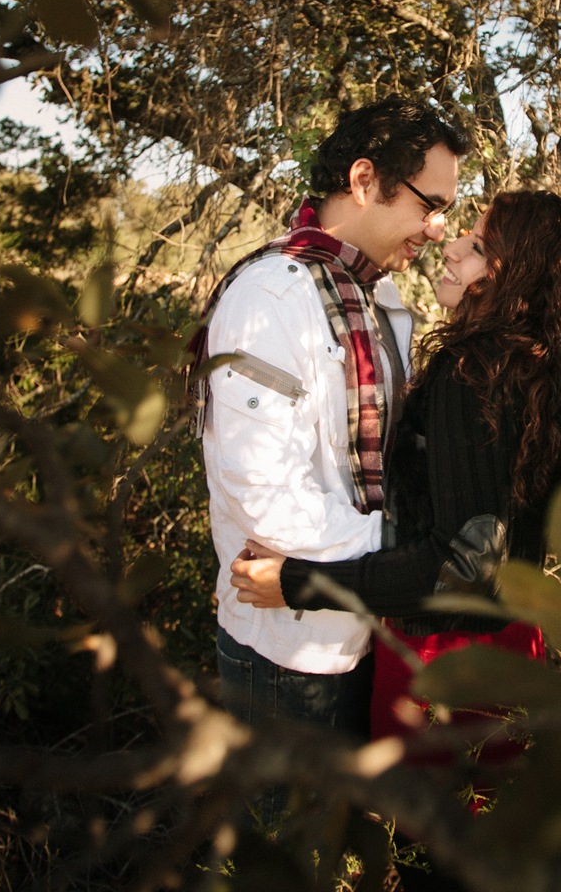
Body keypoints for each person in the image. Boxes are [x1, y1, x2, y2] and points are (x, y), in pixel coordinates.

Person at [226, 190, 561, 755]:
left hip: (445, 661)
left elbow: (460, 567)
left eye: (477, 245)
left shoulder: (476, 375)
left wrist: (296, 583)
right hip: (516, 641)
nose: (451, 246)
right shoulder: (539, 369)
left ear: (508, 276)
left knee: (428, 831)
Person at [189, 97, 469, 742]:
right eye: (430, 205)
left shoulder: (379, 296)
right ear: (365, 182)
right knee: (285, 835)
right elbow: (262, 495)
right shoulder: (270, 296)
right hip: (294, 651)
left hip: (369, 621)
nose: (436, 231)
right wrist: (411, 554)